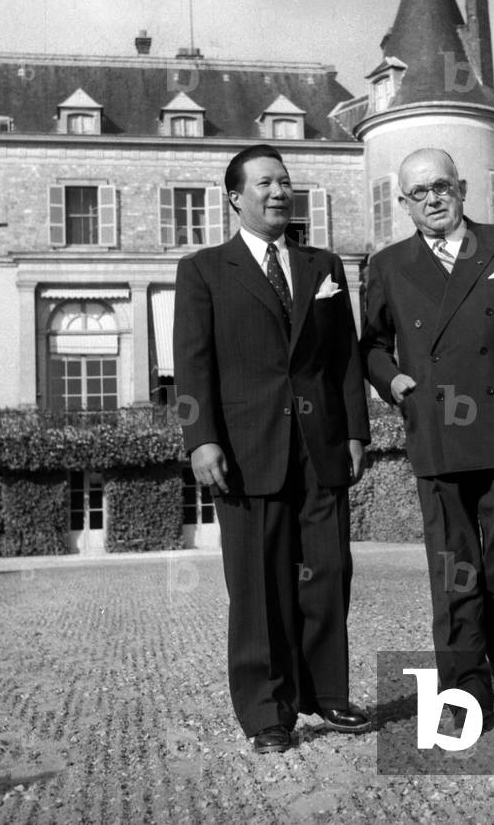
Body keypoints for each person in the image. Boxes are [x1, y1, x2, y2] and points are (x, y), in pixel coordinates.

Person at [173, 143, 371, 754]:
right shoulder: (205, 269)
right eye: (264, 183)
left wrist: (357, 431)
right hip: (245, 448)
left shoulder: (324, 266)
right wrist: (201, 439)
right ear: (234, 197)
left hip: (320, 446)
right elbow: (192, 365)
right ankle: (268, 714)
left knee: (329, 572)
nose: (279, 192)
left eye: (285, 182)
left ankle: (327, 694)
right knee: (258, 586)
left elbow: (344, 358)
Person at [361, 148, 494, 722]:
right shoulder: (389, 265)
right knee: (456, 571)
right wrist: (392, 379)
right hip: (437, 430)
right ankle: (465, 693)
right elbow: (370, 344)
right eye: (418, 193)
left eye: (440, 187)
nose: (431, 199)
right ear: (403, 204)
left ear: (463, 188)